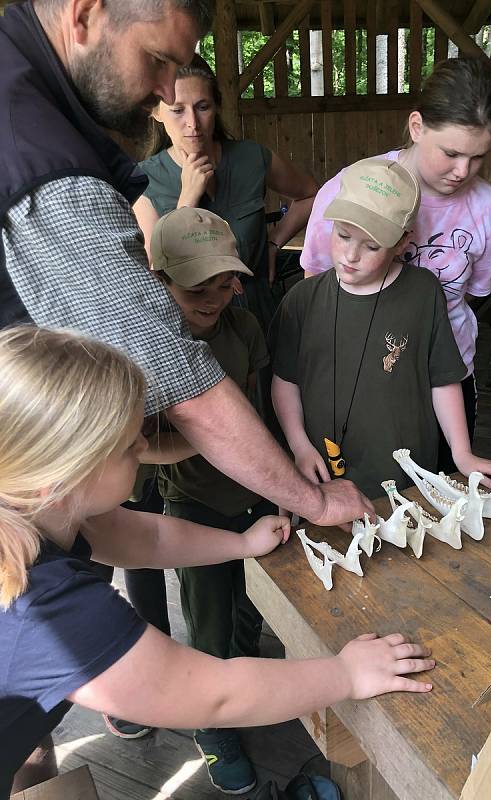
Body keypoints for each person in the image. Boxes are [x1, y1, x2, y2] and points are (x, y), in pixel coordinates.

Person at [0, 325, 436, 798]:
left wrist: (242, 544)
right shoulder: (47, 610)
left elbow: (143, 537)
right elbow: (214, 693)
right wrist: (345, 674)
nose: (145, 449)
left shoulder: (36, 506)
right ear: (63, 479)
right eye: (130, 446)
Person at [0, 1, 373, 531]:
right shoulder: (41, 158)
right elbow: (179, 382)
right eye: (156, 60)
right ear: (84, 14)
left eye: (179, 68)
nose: (170, 92)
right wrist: (316, 502)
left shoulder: (26, 96)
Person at [300, 57, 491, 474]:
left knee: (448, 487)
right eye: (451, 153)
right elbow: (318, 290)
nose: (462, 171)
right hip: (362, 374)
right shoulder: (349, 191)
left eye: (478, 158)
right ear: (417, 127)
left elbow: (467, 297)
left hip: (447, 377)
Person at [269, 158, 491, 500]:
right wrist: (298, 445)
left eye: (371, 246)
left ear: (402, 241)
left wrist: (461, 452)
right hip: (320, 468)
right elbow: (284, 380)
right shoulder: (301, 300)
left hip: (404, 467)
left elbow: (444, 378)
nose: (351, 255)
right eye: (343, 235)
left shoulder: (423, 292)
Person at [150, 207, 278, 791]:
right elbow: (140, 445)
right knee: (209, 613)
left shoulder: (244, 330)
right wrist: (204, 437)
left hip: (253, 493)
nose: (213, 296)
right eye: (195, 285)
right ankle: (212, 725)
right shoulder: (149, 347)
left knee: (256, 604)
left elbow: (258, 410)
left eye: (223, 282)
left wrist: (274, 479)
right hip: (194, 501)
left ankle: (246, 677)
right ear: (158, 281)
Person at [134, 54, 319, 331]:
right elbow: (155, 272)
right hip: (191, 328)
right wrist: (187, 200)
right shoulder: (145, 180)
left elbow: (311, 194)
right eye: (177, 110)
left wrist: (273, 243)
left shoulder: (250, 158)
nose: (193, 123)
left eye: (203, 107)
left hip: (258, 314)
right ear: (155, 112)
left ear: (217, 106)